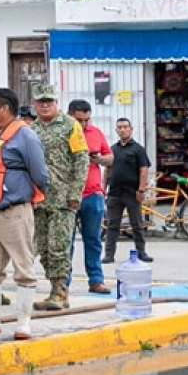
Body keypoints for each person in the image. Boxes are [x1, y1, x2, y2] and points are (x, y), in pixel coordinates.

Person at [0, 87, 50, 340]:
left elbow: (40, 173)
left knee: (23, 267)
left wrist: (27, 197)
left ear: (5, 109)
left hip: (13, 211)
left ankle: (23, 323)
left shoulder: (25, 136)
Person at [31, 83, 89, 311]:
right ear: (35, 105)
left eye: (49, 102)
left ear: (57, 103)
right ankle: (53, 290)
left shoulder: (70, 125)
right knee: (43, 249)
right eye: (41, 102)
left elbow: (82, 160)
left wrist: (76, 192)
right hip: (38, 199)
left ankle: (60, 291)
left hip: (64, 199)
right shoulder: (30, 129)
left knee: (59, 247)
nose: (45, 106)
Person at [69, 99, 113, 295]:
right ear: (70, 116)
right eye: (80, 120)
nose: (84, 124)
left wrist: (99, 159)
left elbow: (110, 157)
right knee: (65, 242)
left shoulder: (96, 133)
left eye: (87, 120)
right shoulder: (64, 133)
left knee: (93, 240)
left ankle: (96, 279)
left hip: (93, 194)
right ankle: (63, 283)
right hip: (69, 194)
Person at [104, 117, 153, 265]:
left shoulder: (138, 149)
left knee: (137, 224)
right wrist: (103, 187)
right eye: (119, 127)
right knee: (112, 225)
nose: (122, 129)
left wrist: (141, 189)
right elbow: (107, 169)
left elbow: (144, 170)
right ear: (116, 130)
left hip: (132, 193)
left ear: (131, 130)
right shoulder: (112, 149)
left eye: (125, 127)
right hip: (115, 193)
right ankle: (109, 254)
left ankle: (141, 252)